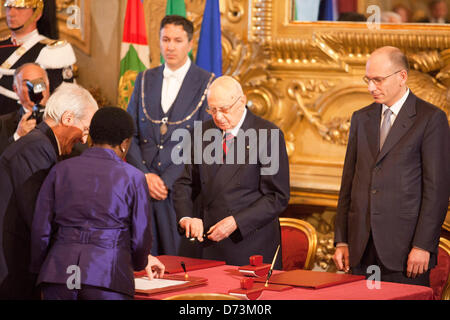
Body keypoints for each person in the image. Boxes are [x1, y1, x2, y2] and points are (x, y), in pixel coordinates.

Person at [333, 46, 450, 286]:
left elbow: (436, 191)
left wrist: (422, 245)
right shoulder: (360, 118)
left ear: (402, 76)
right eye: (368, 80)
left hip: (405, 252)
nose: (370, 88)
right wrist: (342, 240)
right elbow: (348, 183)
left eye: (378, 80)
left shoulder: (430, 119)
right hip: (360, 248)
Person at [30, 107, 165, 300]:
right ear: (125, 143)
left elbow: (40, 229)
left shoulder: (60, 170)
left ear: (91, 137)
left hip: (59, 273)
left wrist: (41, 268)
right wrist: (136, 263)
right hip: (107, 276)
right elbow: (141, 236)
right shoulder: (133, 178)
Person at [172, 76, 290, 268]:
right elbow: (183, 183)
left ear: (241, 101)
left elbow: (277, 197)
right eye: (213, 110)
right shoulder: (201, 132)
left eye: (224, 109)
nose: (218, 117)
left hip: (247, 244)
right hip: (205, 245)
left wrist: (237, 222)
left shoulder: (269, 135)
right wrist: (187, 218)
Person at [0, 82, 98, 299]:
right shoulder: (36, 148)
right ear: (68, 118)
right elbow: (40, 216)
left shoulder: (42, 145)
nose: (84, 139)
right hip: (11, 269)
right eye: (85, 130)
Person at [126, 15, 214, 256]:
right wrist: (145, 176)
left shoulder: (207, 83)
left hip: (179, 191)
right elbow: (129, 133)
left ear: (190, 43)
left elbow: (203, 142)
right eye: (165, 39)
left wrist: (165, 181)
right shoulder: (144, 79)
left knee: (176, 263)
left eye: (177, 40)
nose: (170, 46)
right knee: (142, 258)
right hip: (142, 187)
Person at [0, 0, 75, 116]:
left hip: (27, 124)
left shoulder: (52, 51)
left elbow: (61, 102)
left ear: (37, 13)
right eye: (9, 7)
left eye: (20, 8)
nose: (11, 13)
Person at [0, 62, 50, 155]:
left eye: (39, 81)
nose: (35, 88)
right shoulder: (2, 124)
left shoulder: (65, 118)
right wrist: (18, 137)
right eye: (28, 83)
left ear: (48, 85)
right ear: (16, 89)